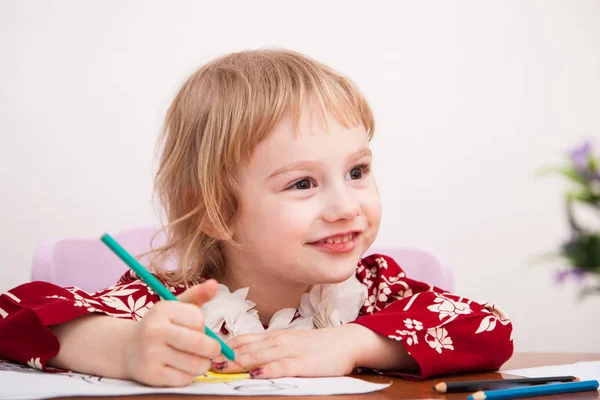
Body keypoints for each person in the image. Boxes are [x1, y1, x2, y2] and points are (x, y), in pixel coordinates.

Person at [0, 49, 513, 387]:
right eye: (303, 183)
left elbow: (490, 328)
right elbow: (12, 317)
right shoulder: (170, 299)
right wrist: (125, 348)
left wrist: (353, 341)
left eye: (357, 171)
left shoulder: (378, 291)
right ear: (215, 210)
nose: (346, 206)